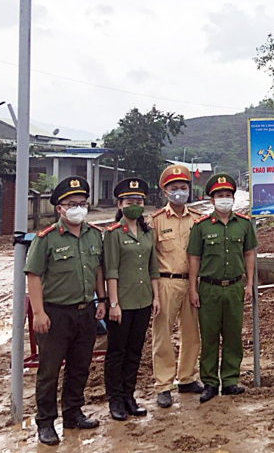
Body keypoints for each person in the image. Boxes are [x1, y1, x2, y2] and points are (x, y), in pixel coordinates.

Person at [24, 177, 106, 446]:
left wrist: (102, 300)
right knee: (49, 371)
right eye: (72, 204)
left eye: (82, 204)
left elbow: (97, 271)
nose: (78, 209)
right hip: (55, 314)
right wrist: (38, 313)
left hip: (85, 312)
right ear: (59, 208)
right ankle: (45, 422)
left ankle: (73, 413)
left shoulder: (94, 234)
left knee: (80, 366)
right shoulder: (45, 239)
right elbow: (34, 276)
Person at [187, 173, 257, 403]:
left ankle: (229, 380)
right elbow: (194, 258)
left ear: (233, 198)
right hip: (209, 288)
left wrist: (248, 283)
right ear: (212, 199)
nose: (224, 199)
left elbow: (249, 254)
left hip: (235, 286)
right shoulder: (201, 227)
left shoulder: (244, 224)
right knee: (208, 337)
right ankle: (209, 382)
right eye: (219, 195)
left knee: (233, 335)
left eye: (228, 195)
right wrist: (193, 288)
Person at [103, 178, 161, 420]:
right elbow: (111, 271)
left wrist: (156, 297)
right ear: (120, 204)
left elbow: (153, 268)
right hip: (122, 303)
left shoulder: (148, 233)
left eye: (138, 201)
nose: (135, 205)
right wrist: (113, 304)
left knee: (135, 351)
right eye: (129, 201)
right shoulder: (114, 233)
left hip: (143, 301)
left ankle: (129, 396)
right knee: (117, 351)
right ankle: (115, 400)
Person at [148, 165, 204, 409]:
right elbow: (149, 256)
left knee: (192, 333)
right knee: (162, 336)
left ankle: (187, 377)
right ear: (165, 192)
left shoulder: (197, 220)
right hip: (165, 282)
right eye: (174, 188)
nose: (179, 192)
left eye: (183, 188)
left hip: (192, 282)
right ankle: (163, 385)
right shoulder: (156, 221)